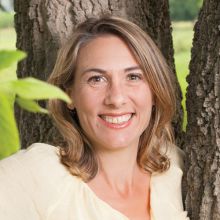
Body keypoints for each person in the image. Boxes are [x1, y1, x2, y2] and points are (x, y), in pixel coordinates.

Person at [0, 15, 189, 220]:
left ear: (154, 91)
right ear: (69, 94)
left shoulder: (177, 167)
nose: (116, 98)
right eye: (96, 79)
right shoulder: (34, 175)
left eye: (133, 77)